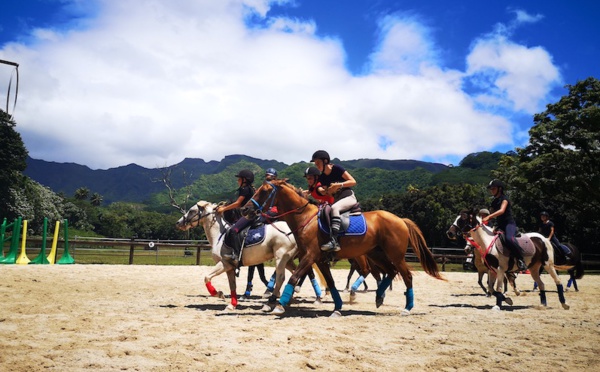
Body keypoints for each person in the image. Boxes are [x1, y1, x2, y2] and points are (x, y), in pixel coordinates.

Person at [310, 150, 358, 252]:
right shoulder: (322, 178)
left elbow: (353, 181)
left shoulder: (337, 168)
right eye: (315, 164)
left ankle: (334, 241)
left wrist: (339, 185)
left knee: (334, 208)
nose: (317, 166)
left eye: (318, 163)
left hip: (348, 197)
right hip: (337, 200)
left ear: (325, 161)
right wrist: (324, 191)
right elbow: (326, 192)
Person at [244, 168, 278, 297]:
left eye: (270, 177)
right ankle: (252, 284)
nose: (267, 178)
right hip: (264, 213)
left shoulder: (276, 189)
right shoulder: (263, 188)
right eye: (266, 176)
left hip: (273, 214)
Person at [482, 179, 528, 271]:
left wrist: (489, 216)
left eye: (493, 188)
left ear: (500, 189)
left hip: (509, 224)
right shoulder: (494, 202)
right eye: (491, 189)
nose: (492, 190)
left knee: (509, 239)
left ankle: (521, 259)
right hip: (499, 225)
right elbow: (490, 213)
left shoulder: (505, 199)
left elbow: (501, 211)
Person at [215, 169, 256, 262]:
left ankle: (236, 254)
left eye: (239, 179)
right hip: (249, 213)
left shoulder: (244, 189)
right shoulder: (250, 188)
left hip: (248, 215)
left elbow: (238, 203)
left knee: (233, 230)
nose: (238, 181)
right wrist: (225, 205)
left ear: (244, 180)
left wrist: (223, 209)